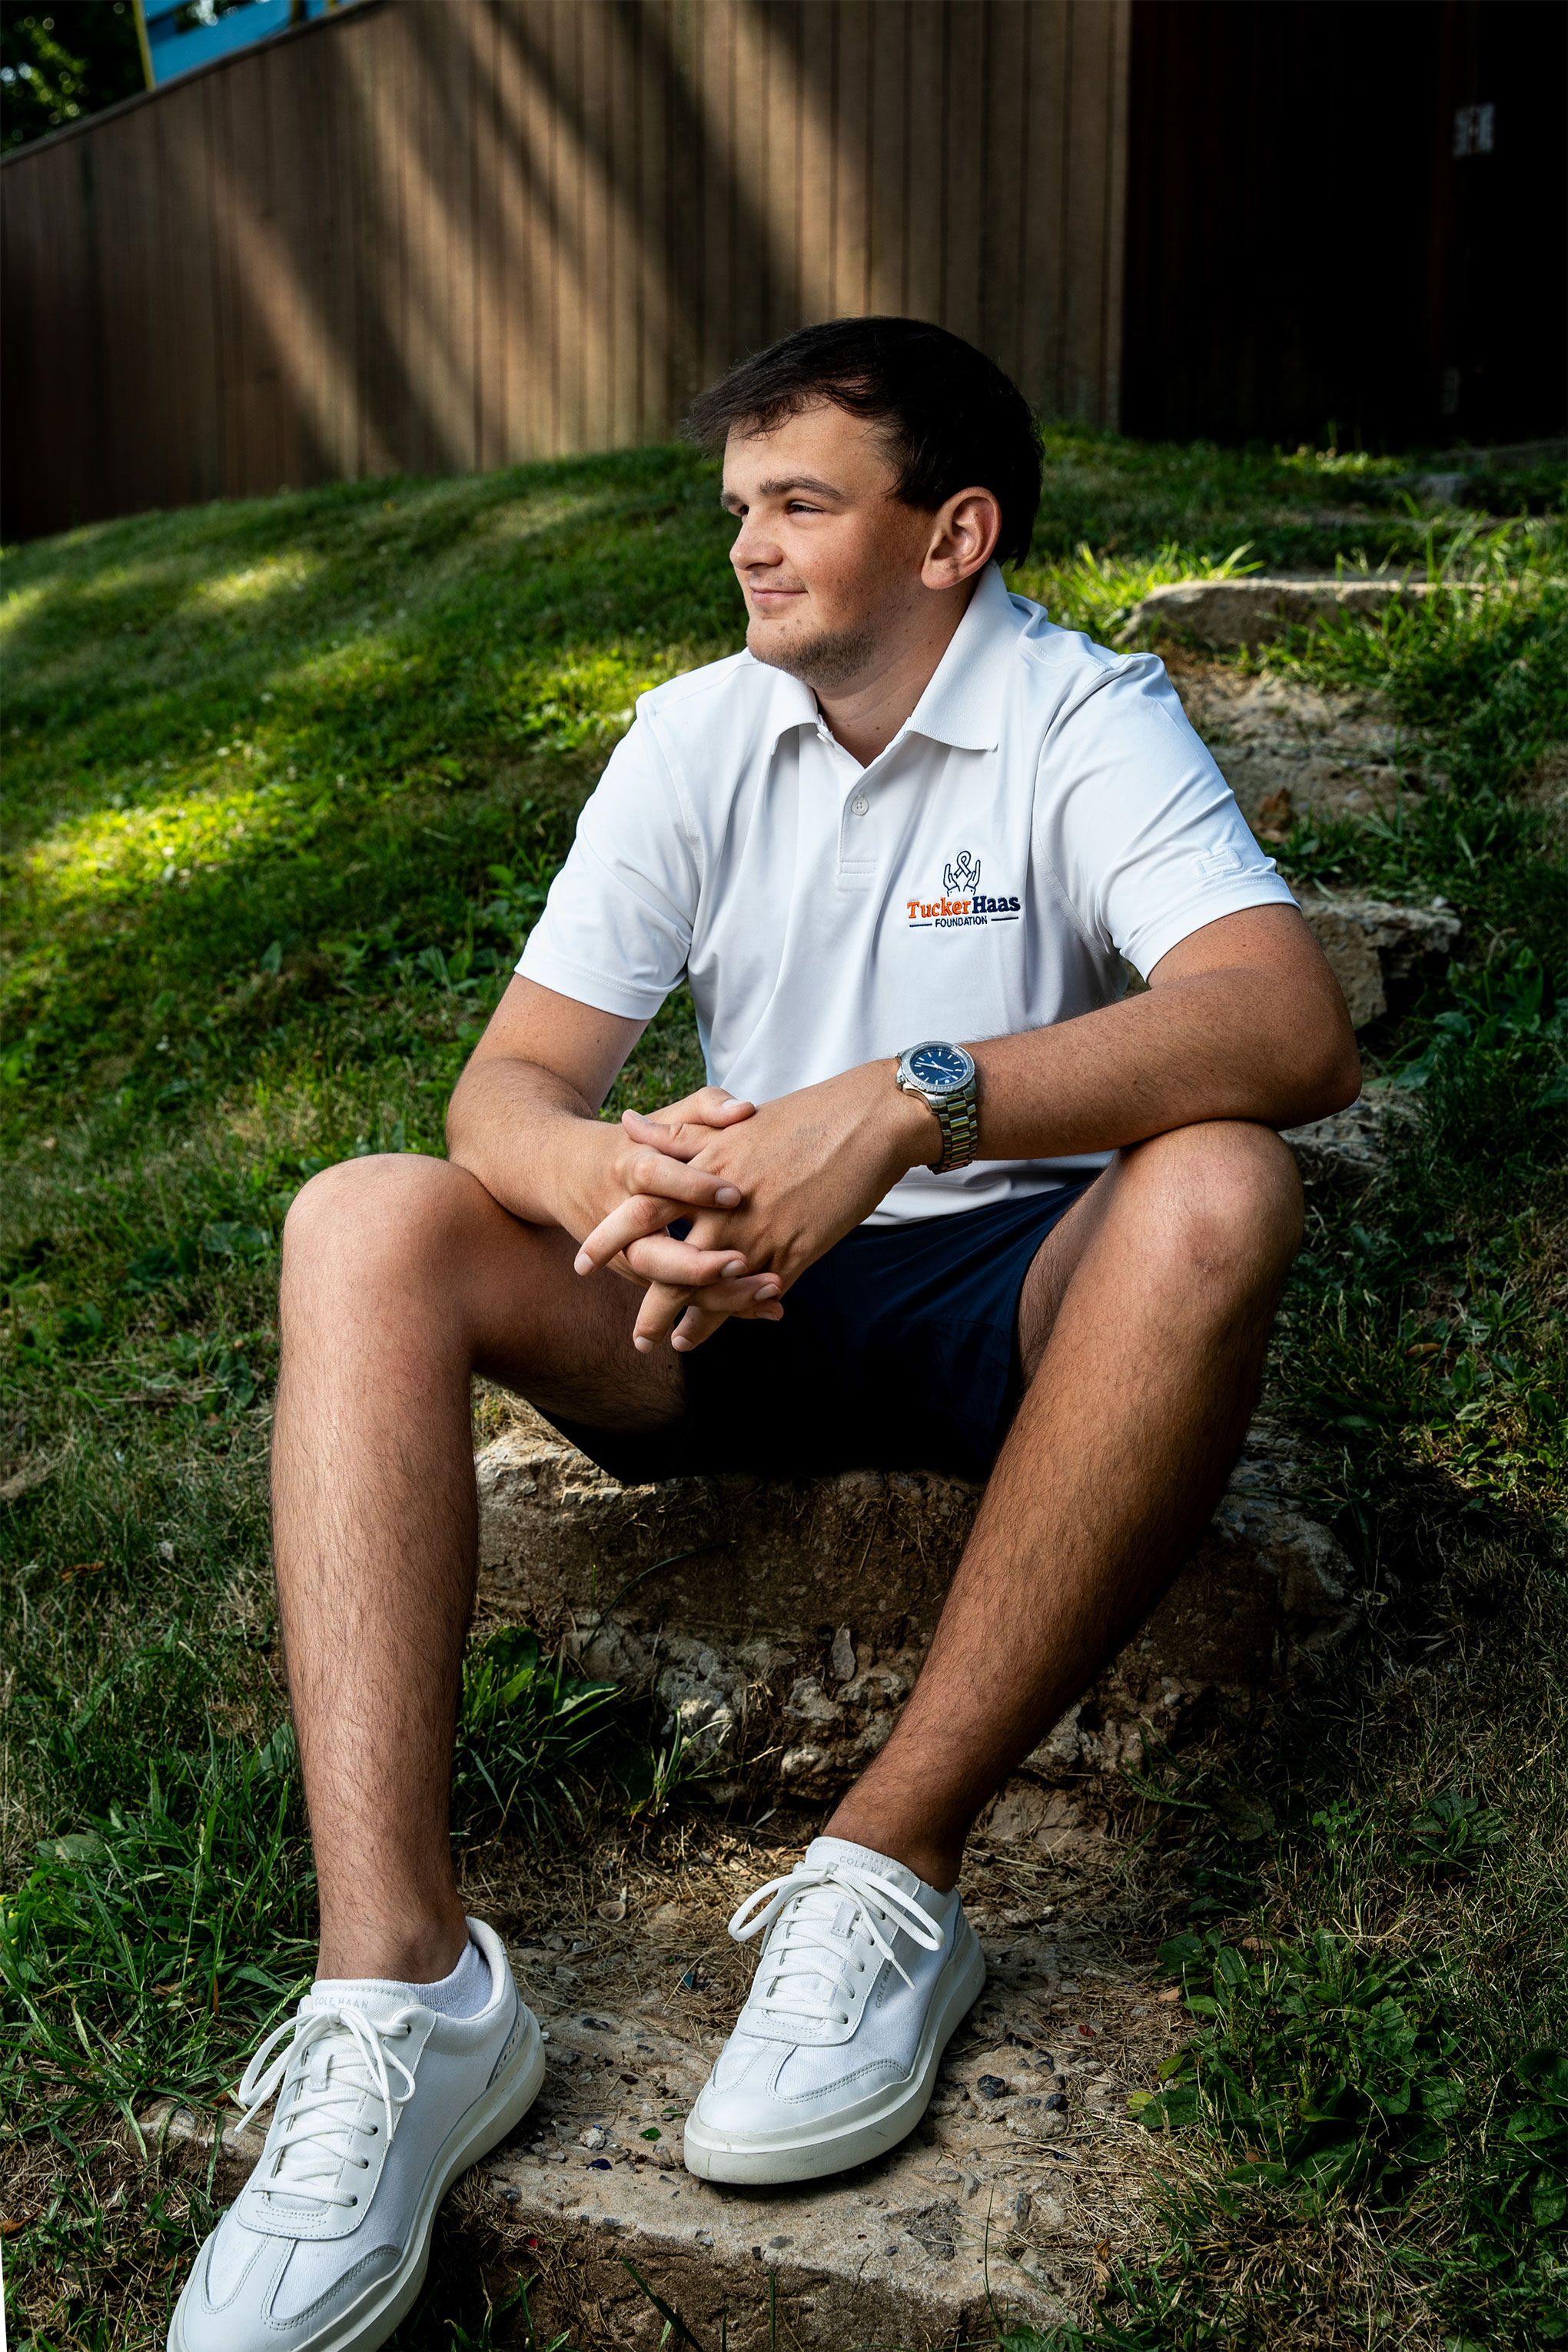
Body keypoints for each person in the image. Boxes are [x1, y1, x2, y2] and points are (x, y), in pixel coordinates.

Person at [168, 317, 1360, 2350]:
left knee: (1224, 1183)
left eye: (800, 502)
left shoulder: (1085, 716)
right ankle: (404, 1994)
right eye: (738, 510)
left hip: (1014, 1297)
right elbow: (504, 1091)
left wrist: (902, 1099)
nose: (749, 548)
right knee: (366, 1213)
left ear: (953, 533)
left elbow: (1285, 1023)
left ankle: (887, 1869)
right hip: (710, 1295)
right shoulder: (695, 732)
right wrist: (617, 1183)